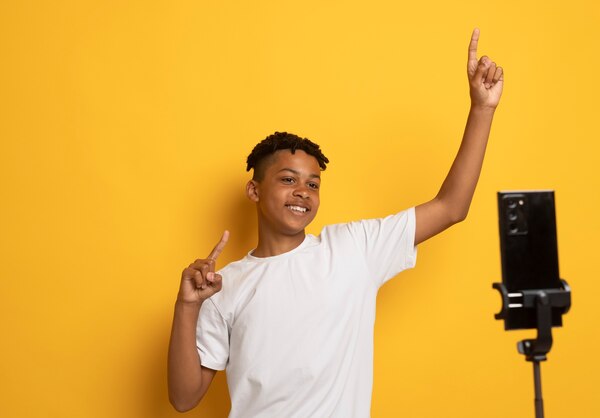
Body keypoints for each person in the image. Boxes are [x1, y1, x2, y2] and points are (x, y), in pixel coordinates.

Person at [168, 28, 503, 417]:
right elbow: (183, 398)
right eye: (288, 180)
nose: (303, 192)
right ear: (255, 191)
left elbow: (450, 207)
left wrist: (482, 109)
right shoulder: (224, 288)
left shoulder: (353, 249)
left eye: (313, 184)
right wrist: (186, 306)